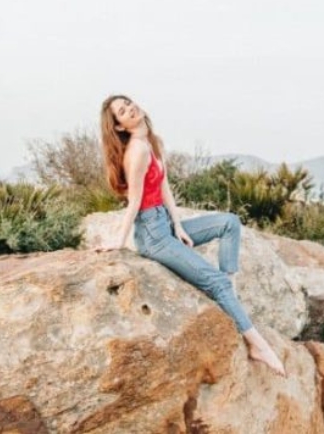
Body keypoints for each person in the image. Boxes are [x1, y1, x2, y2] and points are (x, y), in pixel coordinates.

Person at [97, 94, 287, 377]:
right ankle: (257, 345)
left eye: (129, 104)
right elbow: (134, 202)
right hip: (152, 235)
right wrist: (119, 242)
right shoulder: (136, 151)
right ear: (120, 126)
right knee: (216, 282)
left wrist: (179, 224)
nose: (131, 109)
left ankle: (228, 293)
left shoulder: (150, 142)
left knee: (229, 224)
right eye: (123, 111)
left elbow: (164, 187)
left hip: (164, 223)